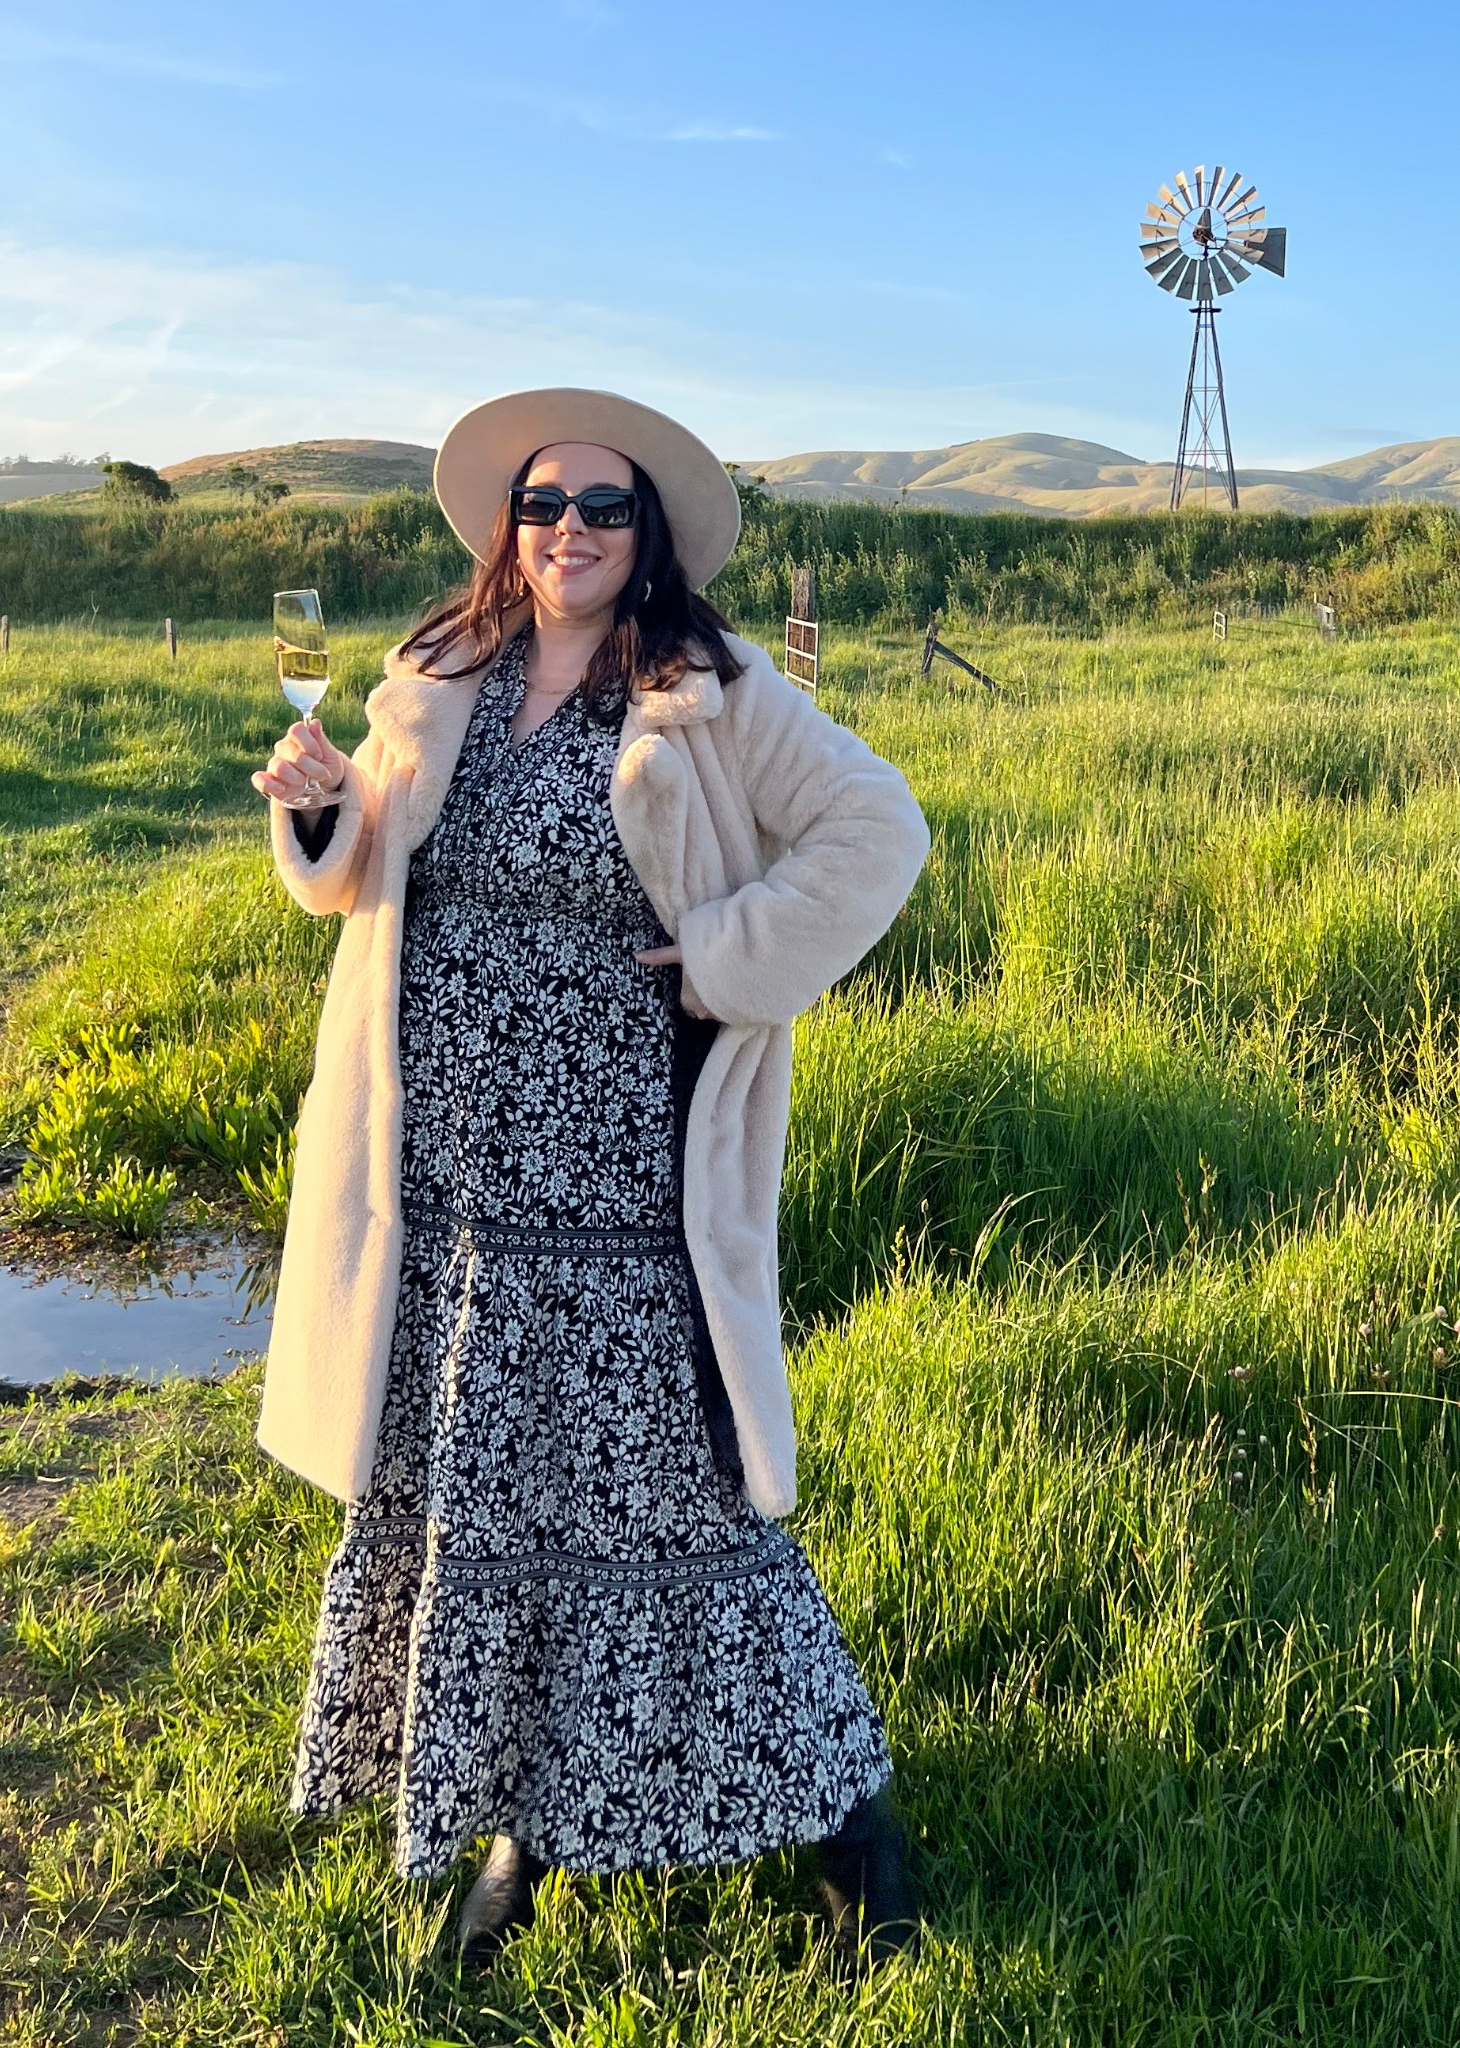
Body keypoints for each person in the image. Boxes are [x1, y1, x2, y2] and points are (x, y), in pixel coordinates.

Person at [250, 388, 932, 1964]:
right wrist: (323, 811)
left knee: (676, 1508)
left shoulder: (708, 686)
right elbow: (360, 880)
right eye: (544, 502)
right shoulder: (438, 674)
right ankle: (518, 1828)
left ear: (650, 539)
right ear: (512, 526)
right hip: (448, 1173)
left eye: (605, 507)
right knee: (483, 1505)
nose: (569, 527)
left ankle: (851, 1831)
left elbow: (874, 827)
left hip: (621, 1180)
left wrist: (724, 960)